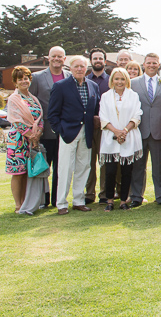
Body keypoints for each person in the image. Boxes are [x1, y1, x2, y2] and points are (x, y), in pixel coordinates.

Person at [49, 56, 100, 215]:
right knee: (65, 169)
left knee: (84, 167)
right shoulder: (60, 86)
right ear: (70, 68)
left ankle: (78, 201)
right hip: (68, 133)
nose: (79, 69)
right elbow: (53, 114)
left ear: (87, 68)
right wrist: (61, 129)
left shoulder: (92, 86)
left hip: (87, 132)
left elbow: (95, 109)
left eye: (82, 67)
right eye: (76, 66)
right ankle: (61, 203)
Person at [130, 53, 161, 208]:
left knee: (160, 168)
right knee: (138, 167)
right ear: (143, 64)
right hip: (138, 131)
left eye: (154, 63)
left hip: (160, 131)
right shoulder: (133, 83)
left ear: (159, 65)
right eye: (149, 63)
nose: (151, 65)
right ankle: (136, 196)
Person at [29, 46, 71, 207]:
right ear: (48, 58)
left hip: (65, 130)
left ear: (64, 59)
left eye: (60, 56)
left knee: (61, 168)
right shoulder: (37, 77)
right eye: (54, 56)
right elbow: (31, 103)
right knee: (44, 166)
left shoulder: (69, 76)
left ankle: (57, 199)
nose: (57, 59)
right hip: (44, 130)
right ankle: (42, 200)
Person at [98, 68, 142, 212]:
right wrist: (116, 132)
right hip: (111, 137)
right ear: (112, 80)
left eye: (122, 79)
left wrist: (124, 131)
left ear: (127, 80)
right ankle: (109, 200)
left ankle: (124, 200)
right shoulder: (105, 96)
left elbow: (137, 114)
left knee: (127, 171)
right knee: (110, 171)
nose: (119, 82)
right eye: (116, 79)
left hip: (128, 136)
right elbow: (103, 116)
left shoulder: (133, 95)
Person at [5, 66, 44, 212]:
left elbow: (40, 118)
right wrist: (31, 136)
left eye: (26, 78)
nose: (23, 81)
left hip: (32, 140)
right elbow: (16, 120)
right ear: (15, 82)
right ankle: (18, 204)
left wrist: (38, 133)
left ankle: (27, 202)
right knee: (18, 172)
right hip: (18, 141)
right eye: (20, 79)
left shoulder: (33, 99)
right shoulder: (14, 99)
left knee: (29, 171)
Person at [86, 47, 111, 204]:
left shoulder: (111, 80)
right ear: (91, 61)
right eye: (95, 58)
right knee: (88, 162)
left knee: (104, 161)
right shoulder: (85, 80)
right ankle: (89, 194)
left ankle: (104, 193)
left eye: (100, 58)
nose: (98, 61)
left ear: (105, 61)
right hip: (88, 127)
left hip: (106, 127)